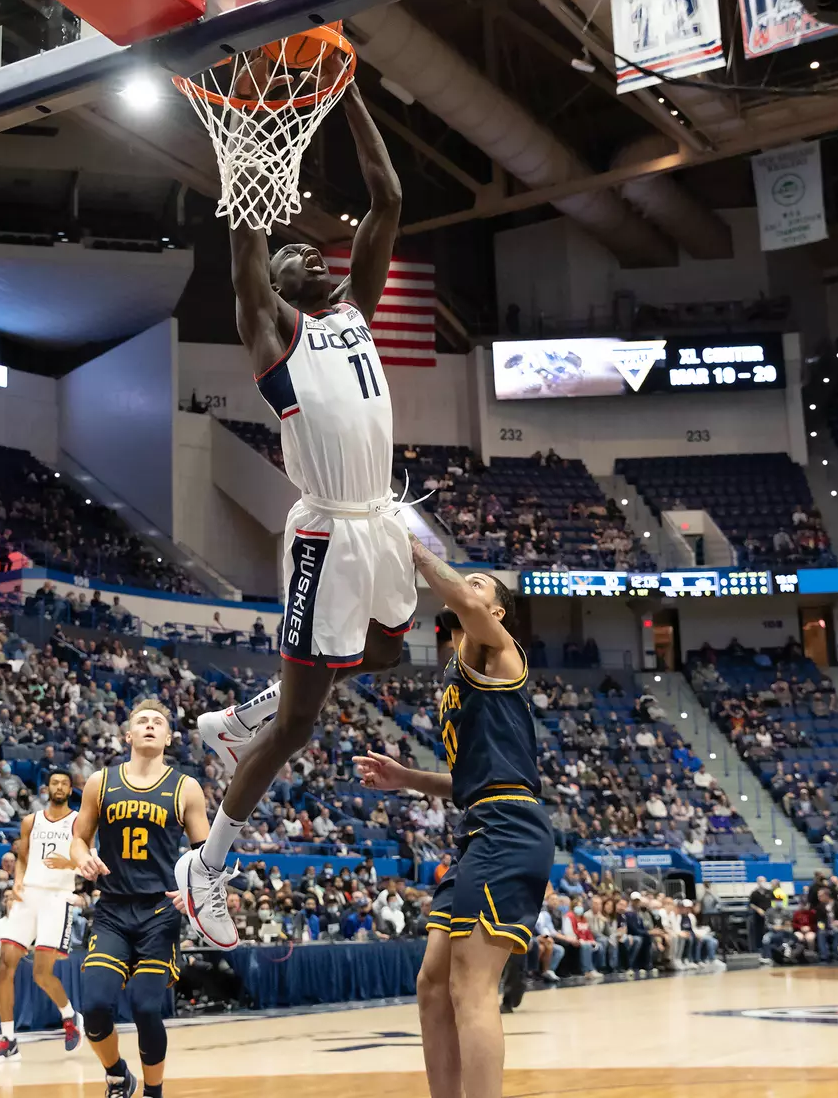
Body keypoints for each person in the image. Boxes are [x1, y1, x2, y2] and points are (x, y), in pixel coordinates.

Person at [179, 78, 412, 946]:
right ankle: (207, 867)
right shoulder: (273, 337)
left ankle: (244, 714)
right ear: (271, 289)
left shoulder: (355, 316)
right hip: (323, 534)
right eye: (294, 255)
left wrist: (349, 92)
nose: (312, 254)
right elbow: (245, 247)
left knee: (387, 647)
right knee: (301, 725)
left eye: (318, 251)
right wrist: (242, 140)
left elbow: (387, 196)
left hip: (379, 519)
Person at [355, 555, 549, 1098]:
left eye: (480, 585)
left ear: (497, 611)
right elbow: (469, 780)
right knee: (433, 985)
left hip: (510, 824)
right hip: (480, 822)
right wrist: (406, 778)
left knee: (471, 981)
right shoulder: (454, 677)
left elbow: (463, 598)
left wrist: (413, 549)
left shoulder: (500, 650)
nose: (468, 587)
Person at [67, 700, 211, 1096]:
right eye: (142, 721)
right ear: (128, 735)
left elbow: (206, 856)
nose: (150, 726)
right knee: (94, 1007)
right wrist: (83, 860)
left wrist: (194, 893)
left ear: (168, 737)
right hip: (112, 909)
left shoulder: (187, 788)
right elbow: (79, 838)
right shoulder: (101, 781)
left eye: (158, 722)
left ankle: (153, 1092)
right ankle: (117, 1074)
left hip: (160, 912)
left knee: (147, 1008)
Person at [0, 770, 81, 1059]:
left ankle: (69, 1017)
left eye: (64, 783)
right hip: (28, 894)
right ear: (47, 788)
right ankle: (8, 1039)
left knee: (42, 973)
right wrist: (17, 881)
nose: (59, 787)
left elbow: (87, 859)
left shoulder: (79, 821)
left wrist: (68, 861)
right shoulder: (31, 820)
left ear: (70, 790)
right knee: (6, 965)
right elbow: (23, 857)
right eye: (55, 782)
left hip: (57, 898)